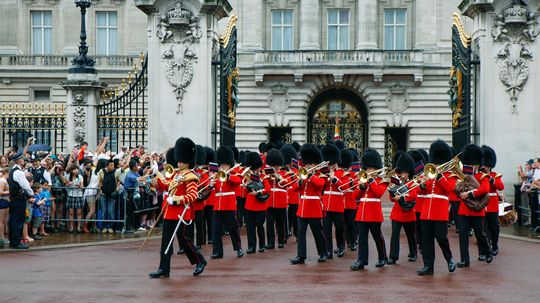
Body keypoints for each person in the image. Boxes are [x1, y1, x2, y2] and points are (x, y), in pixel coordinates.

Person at [149, 137, 207, 278]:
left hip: (182, 213)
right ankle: (164, 269)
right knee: (166, 242)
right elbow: (166, 185)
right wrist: (155, 181)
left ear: (188, 162)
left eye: (182, 161)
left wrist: (176, 200)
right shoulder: (175, 174)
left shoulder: (191, 176)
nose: (179, 163)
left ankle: (200, 260)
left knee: (184, 240)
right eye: (179, 160)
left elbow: (192, 195)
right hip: (169, 212)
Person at [416, 140, 457, 275]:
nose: (436, 164)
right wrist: (422, 185)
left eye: (438, 162)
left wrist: (439, 176)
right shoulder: (428, 173)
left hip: (440, 210)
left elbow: (449, 188)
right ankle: (428, 266)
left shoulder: (450, 174)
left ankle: (449, 258)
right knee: (426, 240)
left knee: (441, 237)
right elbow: (420, 192)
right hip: (426, 211)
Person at [350, 149, 389, 270]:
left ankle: (382, 257)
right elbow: (354, 196)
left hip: (374, 213)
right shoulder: (363, 180)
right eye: (368, 168)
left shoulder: (381, 181)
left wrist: (371, 181)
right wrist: (362, 186)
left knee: (377, 236)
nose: (369, 171)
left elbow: (378, 193)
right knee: (362, 238)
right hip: (362, 213)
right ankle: (361, 261)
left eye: (372, 168)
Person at [290, 143, 328, 265]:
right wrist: (301, 181)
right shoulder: (303, 174)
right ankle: (301, 256)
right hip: (303, 208)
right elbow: (294, 188)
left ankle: (323, 253)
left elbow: (320, 185)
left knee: (317, 232)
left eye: (310, 164)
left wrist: (310, 176)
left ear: (315, 164)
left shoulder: (320, 175)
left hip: (314, 207)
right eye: (307, 164)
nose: (308, 166)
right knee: (300, 234)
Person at [457, 144, 493, 268]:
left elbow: (484, 189)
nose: (471, 166)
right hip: (464, 210)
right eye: (469, 164)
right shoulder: (463, 176)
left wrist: (469, 193)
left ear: (478, 164)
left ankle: (487, 251)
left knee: (480, 234)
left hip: (477, 211)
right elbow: (455, 189)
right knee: (462, 234)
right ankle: (464, 260)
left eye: (473, 164)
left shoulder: (482, 176)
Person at [210, 146, 243, 259]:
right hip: (217, 205)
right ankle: (217, 251)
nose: (222, 166)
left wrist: (228, 176)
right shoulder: (217, 174)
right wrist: (211, 184)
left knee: (232, 227)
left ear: (229, 164)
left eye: (224, 164)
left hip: (229, 204)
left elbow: (238, 181)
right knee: (216, 229)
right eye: (221, 164)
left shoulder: (234, 172)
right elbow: (212, 189)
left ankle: (238, 248)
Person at [387, 153, 418, 265]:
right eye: (401, 172)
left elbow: (414, 196)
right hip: (397, 213)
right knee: (395, 234)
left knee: (411, 235)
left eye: (404, 172)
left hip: (408, 213)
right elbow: (391, 198)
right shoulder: (397, 182)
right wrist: (393, 195)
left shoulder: (412, 183)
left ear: (409, 172)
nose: (402, 174)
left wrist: (402, 197)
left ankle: (414, 253)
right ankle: (393, 256)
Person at [321, 144, 348, 259]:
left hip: (337, 205)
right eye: (329, 164)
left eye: (332, 164)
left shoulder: (342, 173)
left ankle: (341, 247)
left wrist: (335, 179)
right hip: (326, 205)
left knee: (339, 228)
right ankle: (328, 250)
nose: (330, 166)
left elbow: (345, 188)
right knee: (326, 229)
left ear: (337, 162)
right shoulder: (324, 173)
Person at [243, 152, 269, 254]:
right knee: (250, 227)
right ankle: (251, 247)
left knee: (259, 225)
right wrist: (246, 186)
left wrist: (258, 192)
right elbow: (245, 190)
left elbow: (268, 189)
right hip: (249, 205)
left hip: (260, 205)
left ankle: (262, 245)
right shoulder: (248, 176)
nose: (255, 170)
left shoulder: (263, 176)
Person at [7, 151, 34, 249]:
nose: (24, 160)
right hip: (19, 199)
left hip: (14, 199)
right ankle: (16, 242)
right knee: (18, 220)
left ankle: (13, 240)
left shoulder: (12, 171)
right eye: (22, 159)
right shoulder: (19, 172)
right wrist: (31, 193)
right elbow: (25, 185)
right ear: (19, 160)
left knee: (14, 219)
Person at [481, 145, 504, 257]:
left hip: (492, 204)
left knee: (494, 227)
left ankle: (495, 245)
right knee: (483, 229)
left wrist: (491, 180)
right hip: (481, 204)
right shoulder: (478, 175)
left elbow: (500, 186)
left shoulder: (495, 175)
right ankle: (486, 248)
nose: (484, 166)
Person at [265, 149, 289, 250]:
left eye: (275, 165)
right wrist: (266, 178)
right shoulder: (267, 173)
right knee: (269, 224)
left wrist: (278, 177)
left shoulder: (284, 173)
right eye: (272, 165)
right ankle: (270, 242)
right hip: (270, 201)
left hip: (281, 201)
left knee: (281, 223)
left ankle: (280, 241)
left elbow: (287, 184)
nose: (274, 167)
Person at [280, 144, 299, 240]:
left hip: (294, 197)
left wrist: (292, 174)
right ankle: (285, 233)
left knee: (295, 217)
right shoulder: (282, 171)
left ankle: (297, 234)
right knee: (285, 218)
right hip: (286, 197)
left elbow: (297, 180)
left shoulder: (296, 170)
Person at [98, 159, 120, 234]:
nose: (113, 166)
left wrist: (117, 188)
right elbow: (100, 181)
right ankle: (104, 227)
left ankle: (110, 227)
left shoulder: (116, 172)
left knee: (111, 211)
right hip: (103, 194)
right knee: (104, 211)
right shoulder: (101, 171)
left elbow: (118, 180)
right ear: (107, 166)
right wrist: (101, 187)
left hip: (112, 194)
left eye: (113, 165)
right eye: (111, 165)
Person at [65, 165, 84, 232]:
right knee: (71, 212)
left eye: (77, 169)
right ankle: (71, 227)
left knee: (79, 212)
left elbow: (82, 187)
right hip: (71, 195)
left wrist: (79, 185)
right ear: (71, 170)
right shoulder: (68, 176)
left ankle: (78, 227)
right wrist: (69, 184)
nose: (76, 170)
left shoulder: (80, 177)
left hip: (79, 195)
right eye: (74, 169)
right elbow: (66, 185)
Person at [0, 167, 10, 248]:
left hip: (6, 202)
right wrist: (10, 192)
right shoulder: (2, 181)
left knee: (5, 220)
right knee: (2, 221)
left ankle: (4, 237)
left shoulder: (4, 180)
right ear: (6, 172)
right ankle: (2, 238)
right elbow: (0, 192)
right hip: (3, 202)